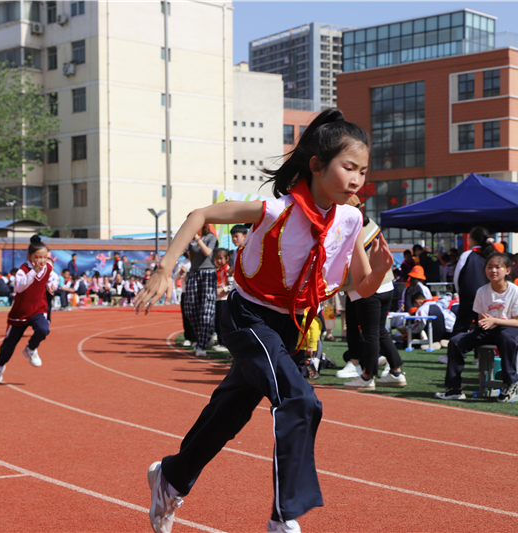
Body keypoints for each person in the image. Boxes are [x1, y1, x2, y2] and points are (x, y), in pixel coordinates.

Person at [134, 108, 392, 533]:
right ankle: (284, 515)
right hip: (248, 315)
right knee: (300, 401)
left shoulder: (350, 220)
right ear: (316, 165)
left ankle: (171, 476)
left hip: (289, 327)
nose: (357, 179)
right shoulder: (276, 209)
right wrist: (165, 268)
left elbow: (360, 288)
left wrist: (381, 271)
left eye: (363, 171)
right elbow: (200, 215)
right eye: (349, 167)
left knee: (229, 414)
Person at [436, 252, 518, 403]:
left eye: (498, 267)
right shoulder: (481, 291)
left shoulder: (515, 291)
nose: (493, 270)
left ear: (507, 271)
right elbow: (481, 320)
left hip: (511, 329)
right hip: (489, 329)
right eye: (489, 267)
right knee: (455, 341)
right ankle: (454, 389)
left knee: (506, 338)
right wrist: (486, 322)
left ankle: (510, 381)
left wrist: (495, 320)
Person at [338, 204, 405, 390]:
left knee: (370, 333)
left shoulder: (349, 229)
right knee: (379, 331)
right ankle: (396, 371)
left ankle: (367, 377)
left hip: (366, 287)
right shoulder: (371, 223)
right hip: (386, 283)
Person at [0, 235, 53, 383]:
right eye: (38, 257)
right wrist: (33, 272)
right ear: (29, 256)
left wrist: (49, 284)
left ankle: (30, 349)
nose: (42, 260)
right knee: (9, 344)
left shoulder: (48, 267)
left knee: (44, 329)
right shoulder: (23, 270)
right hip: (20, 312)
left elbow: (49, 276)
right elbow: (19, 287)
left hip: (38, 308)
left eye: (44, 257)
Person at [183, 223, 218, 357]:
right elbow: (180, 250)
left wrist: (197, 238)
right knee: (190, 309)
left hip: (208, 273)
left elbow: (208, 252)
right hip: (193, 273)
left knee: (206, 311)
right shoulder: (189, 238)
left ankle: (201, 345)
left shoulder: (210, 237)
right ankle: (205, 338)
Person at [453, 227, 495, 334]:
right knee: (483, 327)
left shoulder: (467, 255)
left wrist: (460, 292)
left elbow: (457, 277)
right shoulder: (491, 255)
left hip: (468, 295)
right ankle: (481, 351)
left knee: (461, 325)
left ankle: (456, 349)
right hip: (487, 295)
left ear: (473, 240)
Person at [212, 248, 231, 353]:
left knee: (222, 322)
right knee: (217, 321)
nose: (218, 261)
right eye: (216, 259)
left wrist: (222, 289)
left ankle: (224, 343)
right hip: (217, 299)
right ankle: (220, 341)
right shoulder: (217, 271)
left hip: (225, 299)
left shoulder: (228, 269)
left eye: (221, 258)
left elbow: (232, 284)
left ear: (227, 258)